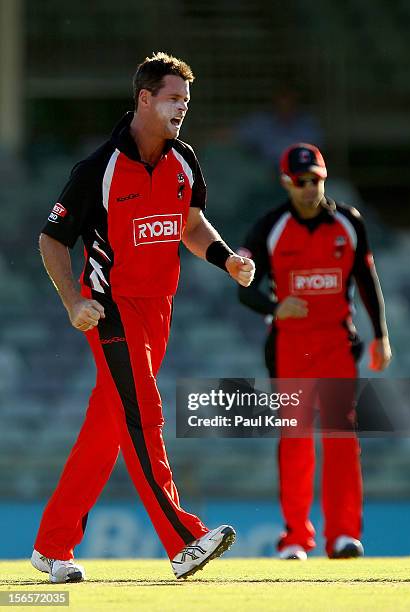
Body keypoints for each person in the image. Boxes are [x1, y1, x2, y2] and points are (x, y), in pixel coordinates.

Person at [31, 52, 255, 583]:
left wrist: (227, 259)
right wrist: (72, 301)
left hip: (159, 310)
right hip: (111, 309)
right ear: (144, 99)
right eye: (173, 98)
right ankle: (182, 539)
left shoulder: (184, 161)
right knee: (143, 415)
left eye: (186, 101)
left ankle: (51, 546)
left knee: (106, 429)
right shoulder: (98, 169)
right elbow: (51, 239)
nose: (181, 108)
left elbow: (191, 224)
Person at [238, 143, 391, 560]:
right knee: (296, 438)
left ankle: (342, 535)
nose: (309, 189)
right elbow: (244, 290)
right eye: (301, 182)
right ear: (287, 183)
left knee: (341, 437)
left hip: (337, 343)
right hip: (290, 346)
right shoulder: (270, 227)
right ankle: (295, 539)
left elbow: (366, 279)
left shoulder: (348, 223)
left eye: (316, 181)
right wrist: (275, 307)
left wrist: (380, 334)